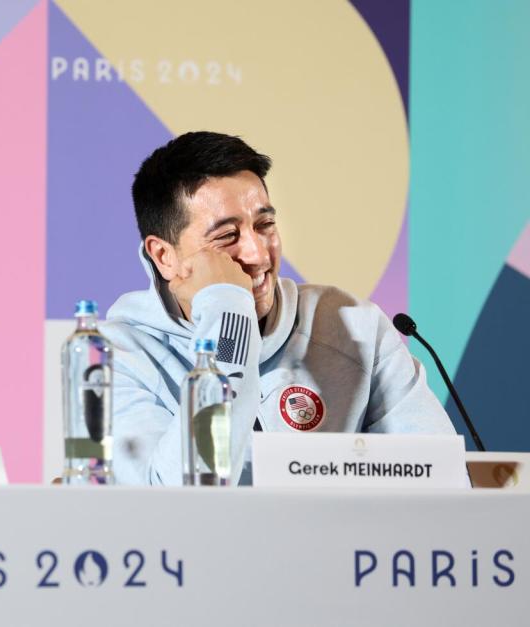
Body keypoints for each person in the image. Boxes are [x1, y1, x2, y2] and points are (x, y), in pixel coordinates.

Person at [105, 132, 454, 485]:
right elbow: (177, 495)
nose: (258, 255)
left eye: (265, 225)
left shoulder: (353, 325)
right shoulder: (116, 356)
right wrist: (229, 313)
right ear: (164, 256)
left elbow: (442, 480)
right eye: (226, 236)